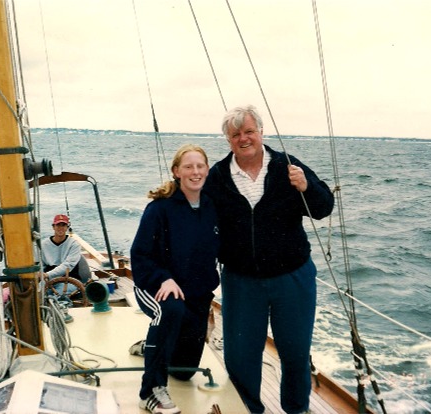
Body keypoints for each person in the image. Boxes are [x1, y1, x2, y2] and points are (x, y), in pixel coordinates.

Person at [203, 105, 334, 414]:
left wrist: (307, 186)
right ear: (227, 139)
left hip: (293, 277)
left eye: (249, 131)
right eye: (236, 134)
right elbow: (200, 221)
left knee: (295, 351)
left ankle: (296, 409)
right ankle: (249, 409)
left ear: (261, 132)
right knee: (240, 354)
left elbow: (323, 207)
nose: (243, 138)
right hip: (240, 280)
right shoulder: (217, 176)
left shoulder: (288, 167)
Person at [131, 144, 220, 414]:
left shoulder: (212, 207)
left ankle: (151, 346)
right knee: (170, 309)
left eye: (200, 166)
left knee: (184, 372)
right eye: (188, 167)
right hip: (155, 285)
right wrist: (163, 279)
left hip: (196, 292)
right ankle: (150, 392)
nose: (195, 172)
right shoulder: (160, 209)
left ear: (207, 169)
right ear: (176, 172)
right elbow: (140, 254)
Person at [41, 214, 90, 288]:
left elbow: (68, 265)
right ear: (53, 227)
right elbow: (40, 265)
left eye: (63, 225)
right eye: (58, 225)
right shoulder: (43, 244)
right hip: (48, 280)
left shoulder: (74, 245)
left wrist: (47, 274)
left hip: (69, 280)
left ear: (67, 227)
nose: (60, 228)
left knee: (57, 296)